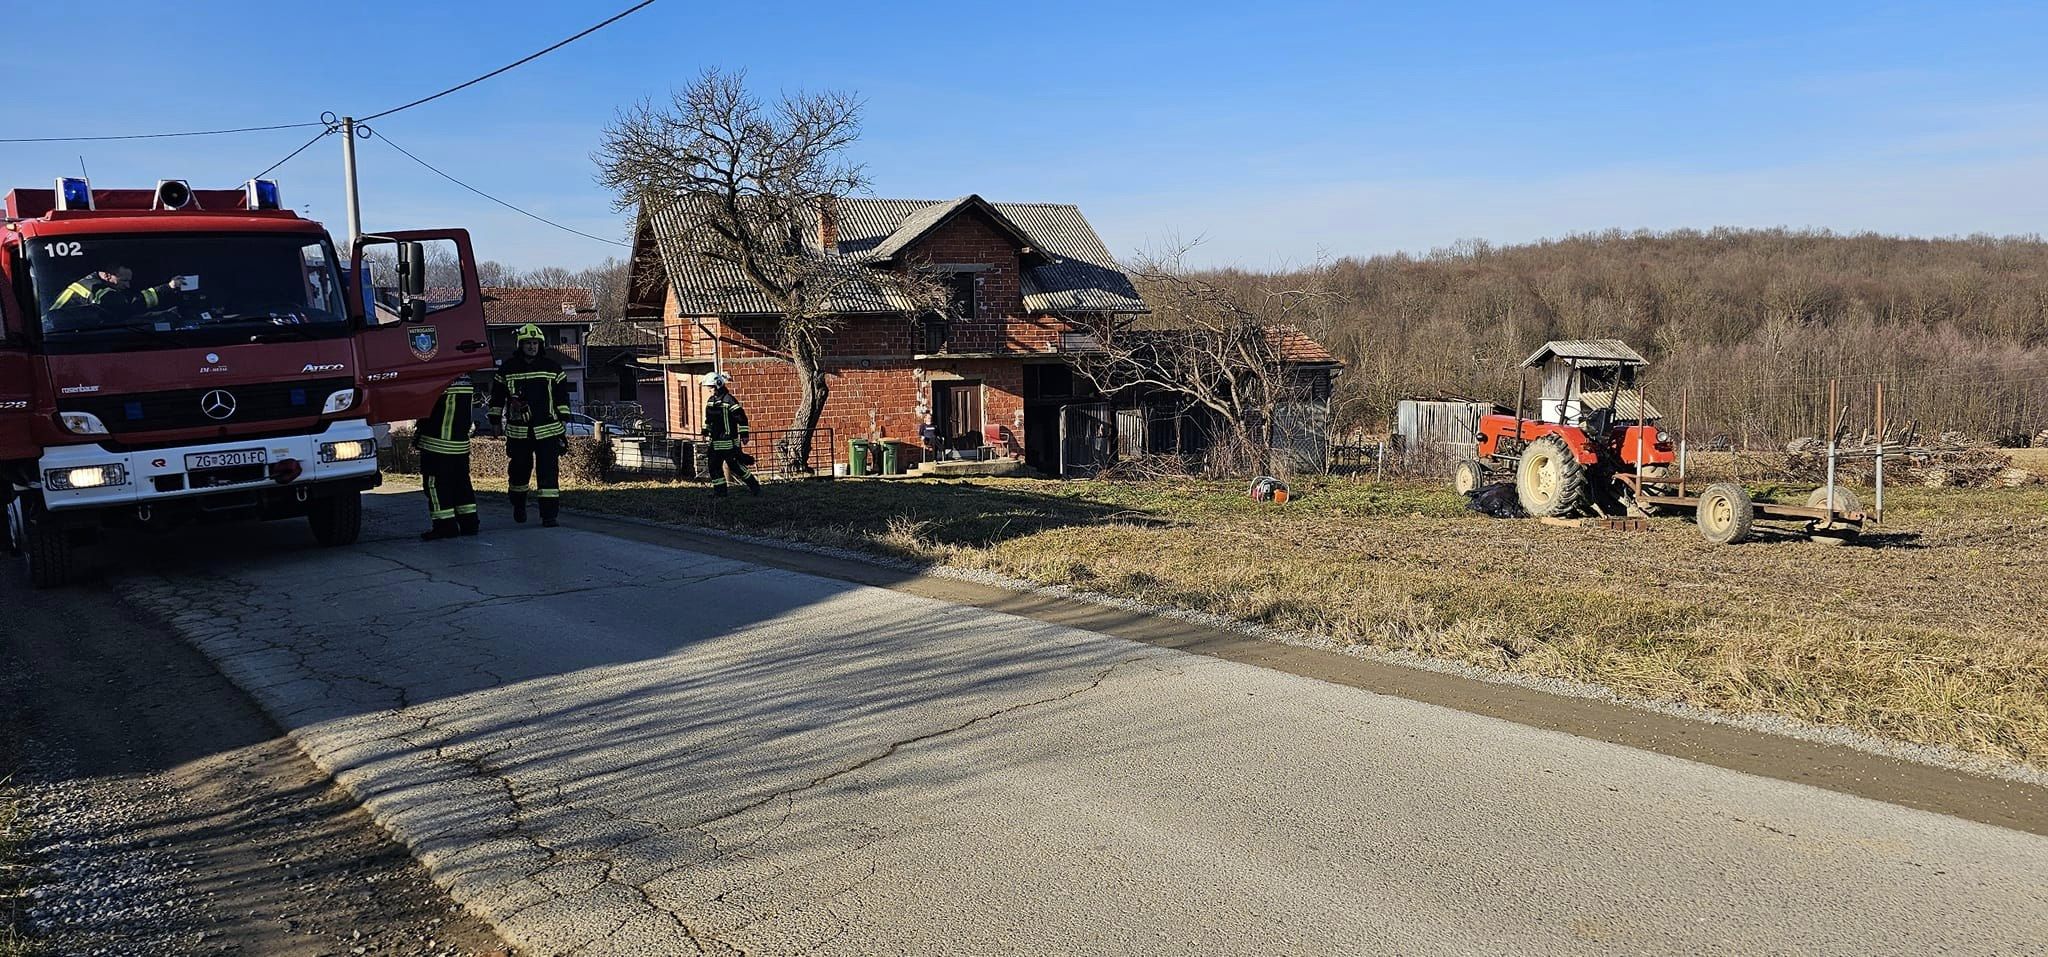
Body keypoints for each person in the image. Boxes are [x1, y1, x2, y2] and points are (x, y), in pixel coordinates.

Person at [489, 323, 570, 527]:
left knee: (548, 474)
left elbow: (562, 396)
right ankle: (519, 505)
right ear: (520, 345)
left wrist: (564, 418)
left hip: (548, 430)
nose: (532, 347)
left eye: (535, 343)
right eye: (528, 343)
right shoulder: (507, 368)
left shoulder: (552, 368)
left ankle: (549, 516)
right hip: (519, 432)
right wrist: (495, 421)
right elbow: (497, 397)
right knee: (519, 471)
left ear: (540, 345)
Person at [414, 374, 480, 540]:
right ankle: (469, 523)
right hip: (460, 445)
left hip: (437, 443)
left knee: (435, 485)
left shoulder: (436, 378)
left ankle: (445, 526)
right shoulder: (465, 378)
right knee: (461, 484)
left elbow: (424, 407)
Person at [703, 371, 760, 496]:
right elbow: (708, 419)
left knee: (736, 467)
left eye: (711, 387)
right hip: (715, 442)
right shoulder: (710, 401)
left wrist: (744, 434)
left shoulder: (729, 400)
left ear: (718, 385)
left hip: (729, 442)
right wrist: (706, 430)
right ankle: (720, 493)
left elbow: (741, 418)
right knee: (714, 467)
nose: (709, 390)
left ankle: (754, 487)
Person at [52, 267, 184, 315]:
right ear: (108, 276)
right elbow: (128, 305)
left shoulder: (91, 281)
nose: (127, 285)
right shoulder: (98, 290)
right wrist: (168, 287)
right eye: (124, 280)